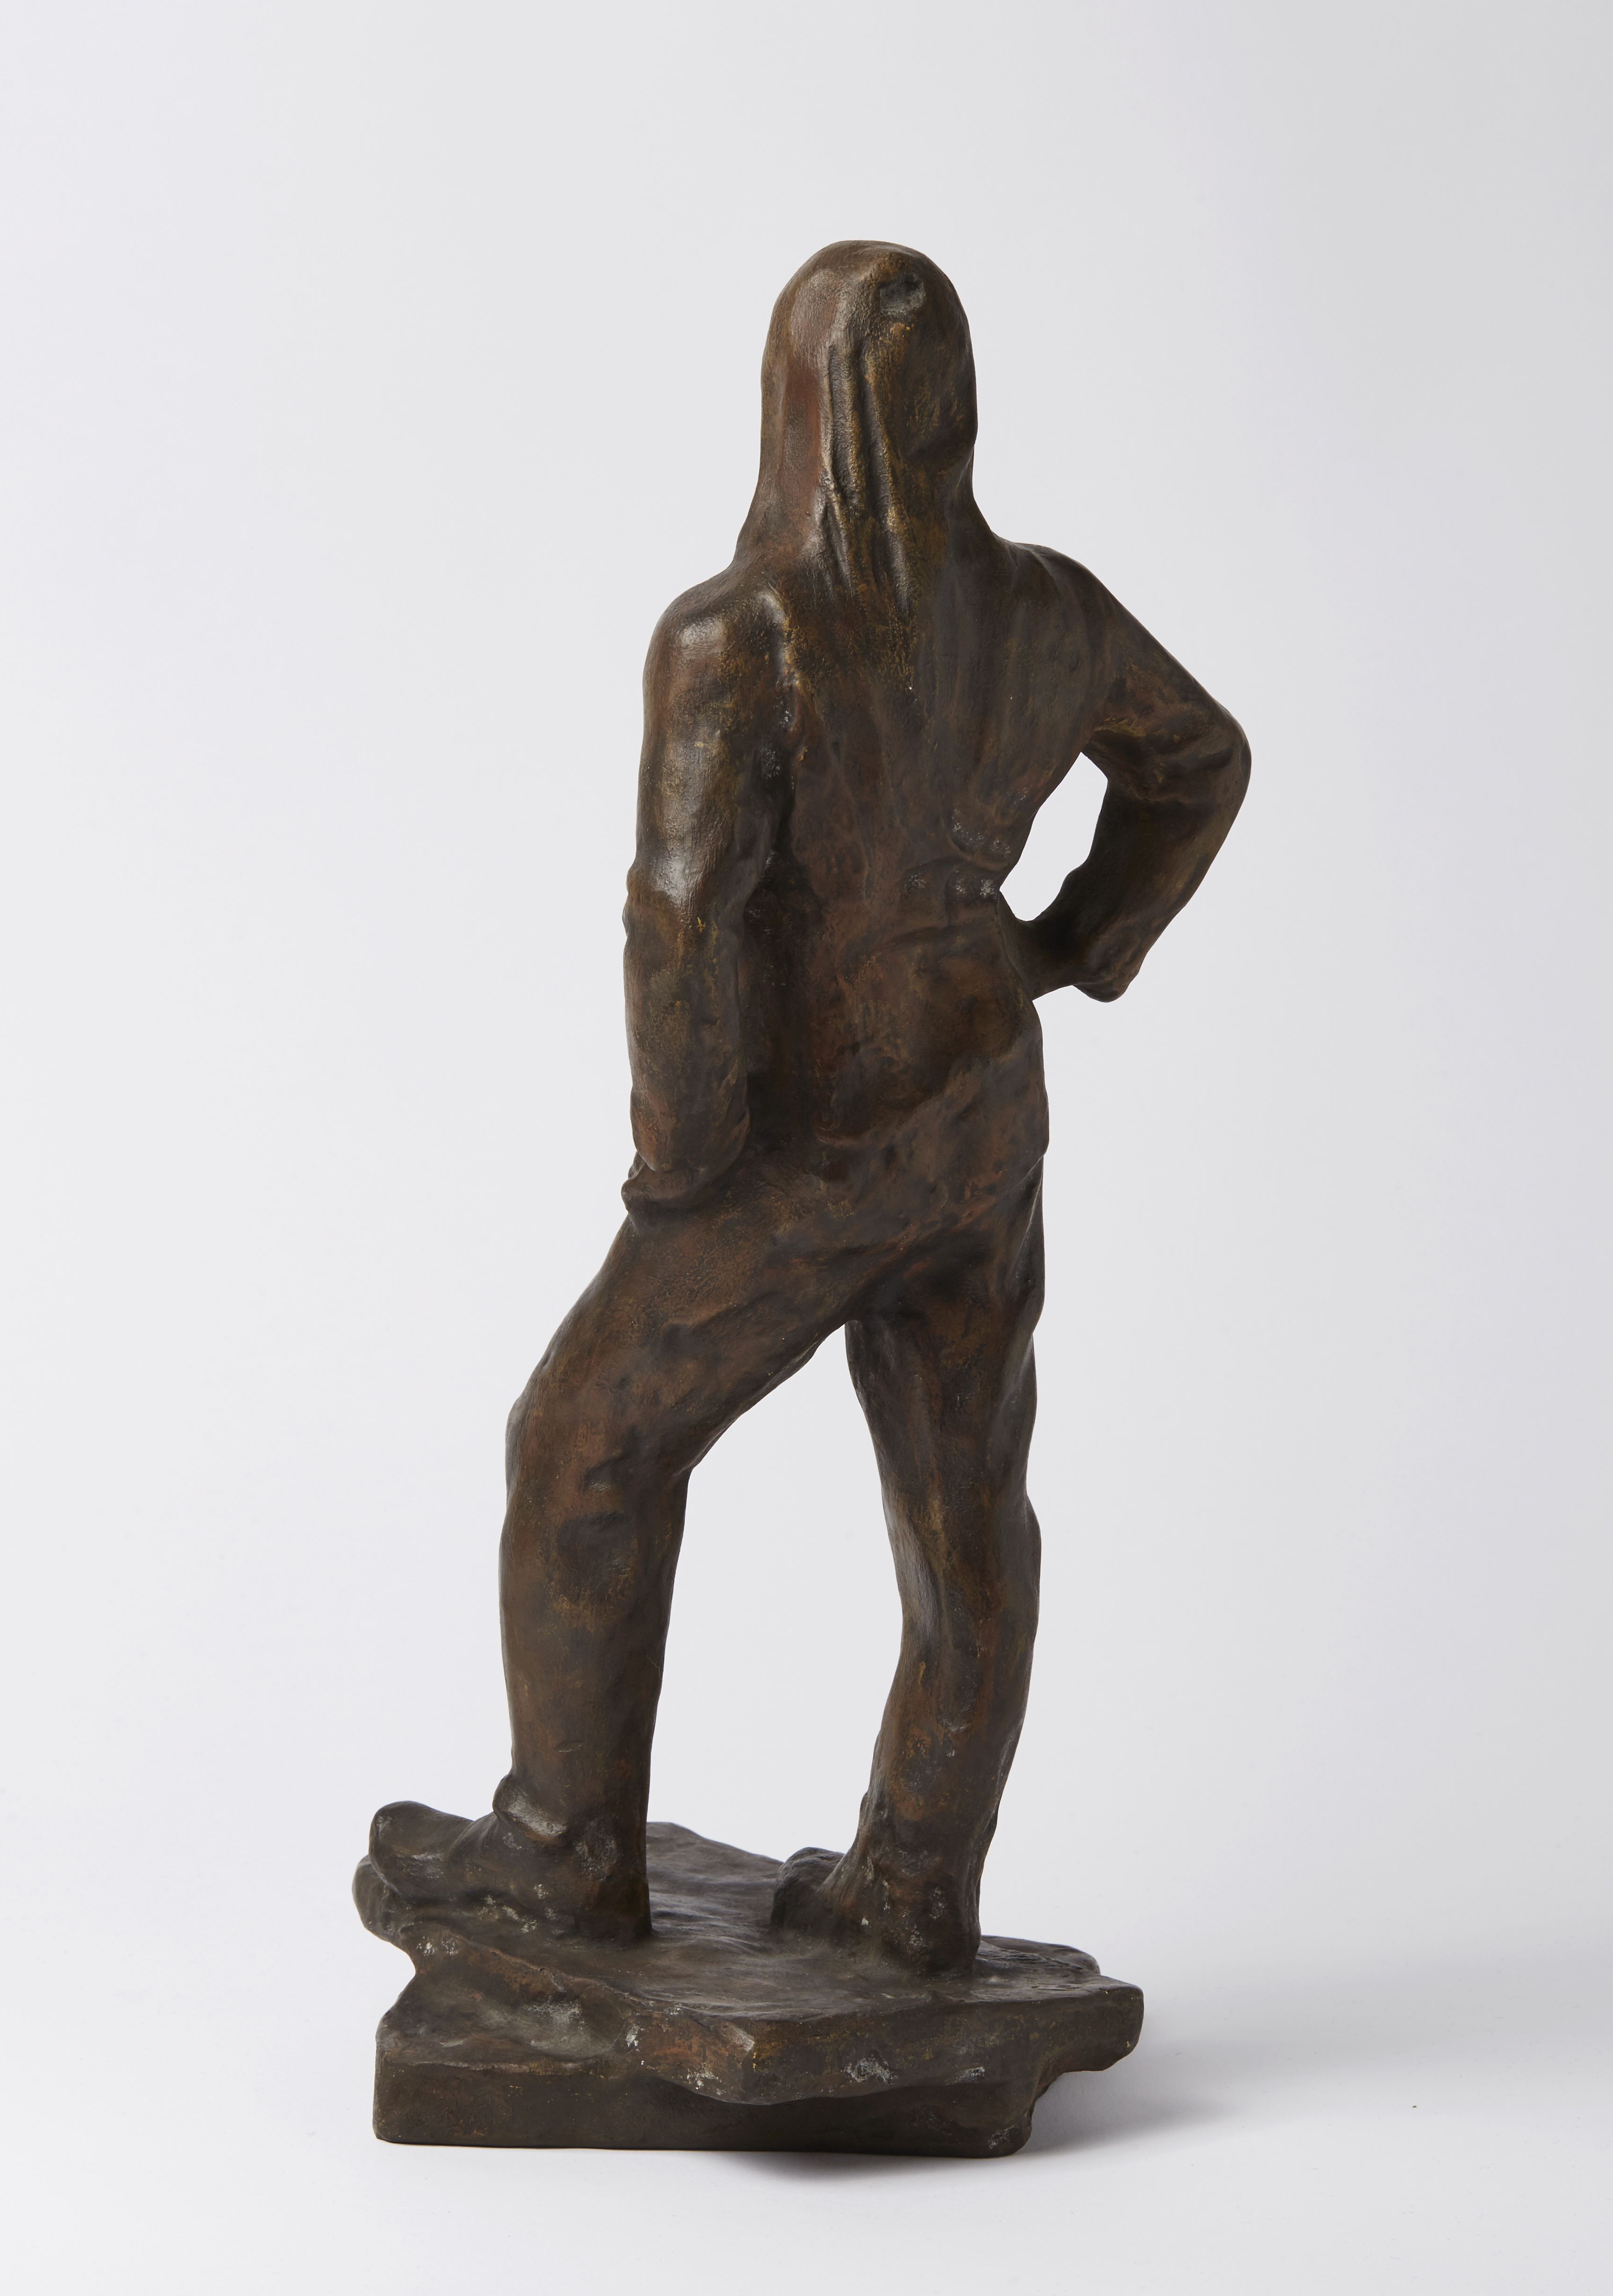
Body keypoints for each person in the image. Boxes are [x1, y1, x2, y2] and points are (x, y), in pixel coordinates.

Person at [366, 241, 1250, 1972]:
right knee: (963, 1497)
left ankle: (562, 1853)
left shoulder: (740, 636)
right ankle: (915, 1883)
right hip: (978, 1107)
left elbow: (680, 917)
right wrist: (1073, 939)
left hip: (804, 1140)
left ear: (797, 410)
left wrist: (683, 1162)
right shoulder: (1048, 611)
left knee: (582, 1443)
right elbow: (1197, 760)